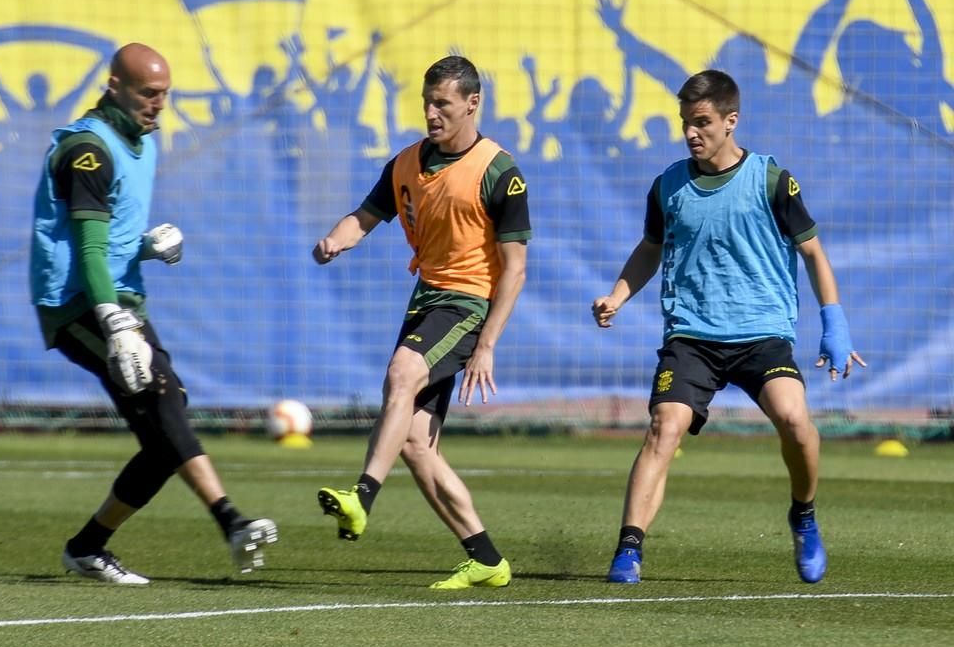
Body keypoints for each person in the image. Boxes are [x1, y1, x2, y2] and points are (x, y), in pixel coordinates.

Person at [592, 69, 865, 585]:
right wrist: (618, 295)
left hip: (761, 334)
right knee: (662, 428)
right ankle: (629, 550)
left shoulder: (770, 179)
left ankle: (803, 515)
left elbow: (812, 251)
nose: (692, 133)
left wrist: (835, 323)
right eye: (686, 123)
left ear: (730, 121)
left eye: (703, 122)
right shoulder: (668, 185)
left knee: (795, 422)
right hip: (692, 335)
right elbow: (651, 249)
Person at [29, 43, 277, 585]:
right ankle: (230, 521)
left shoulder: (139, 142)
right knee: (166, 403)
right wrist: (115, 324)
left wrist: (144, 245)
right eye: (148, 93)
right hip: (78, 306)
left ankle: (88, 546)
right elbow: (88, 250)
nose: (158, 104)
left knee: (167, 423)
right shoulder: (88, 152)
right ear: (114, 85)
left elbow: (111, 242)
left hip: (116, 297)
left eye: (164, 94)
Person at [312, 55, 530, 590]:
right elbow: (366, 215)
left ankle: (360, 497)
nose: (432, 113)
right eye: (427, 103)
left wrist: (488, 345)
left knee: (402, 373)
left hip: (468, 304)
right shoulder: (406, 162)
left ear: (472, 103)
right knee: (414, 444)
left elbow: (516, 269)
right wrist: (337, 239)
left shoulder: (500, 172)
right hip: (426, 299)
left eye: (443, 104)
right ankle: (485, 558)